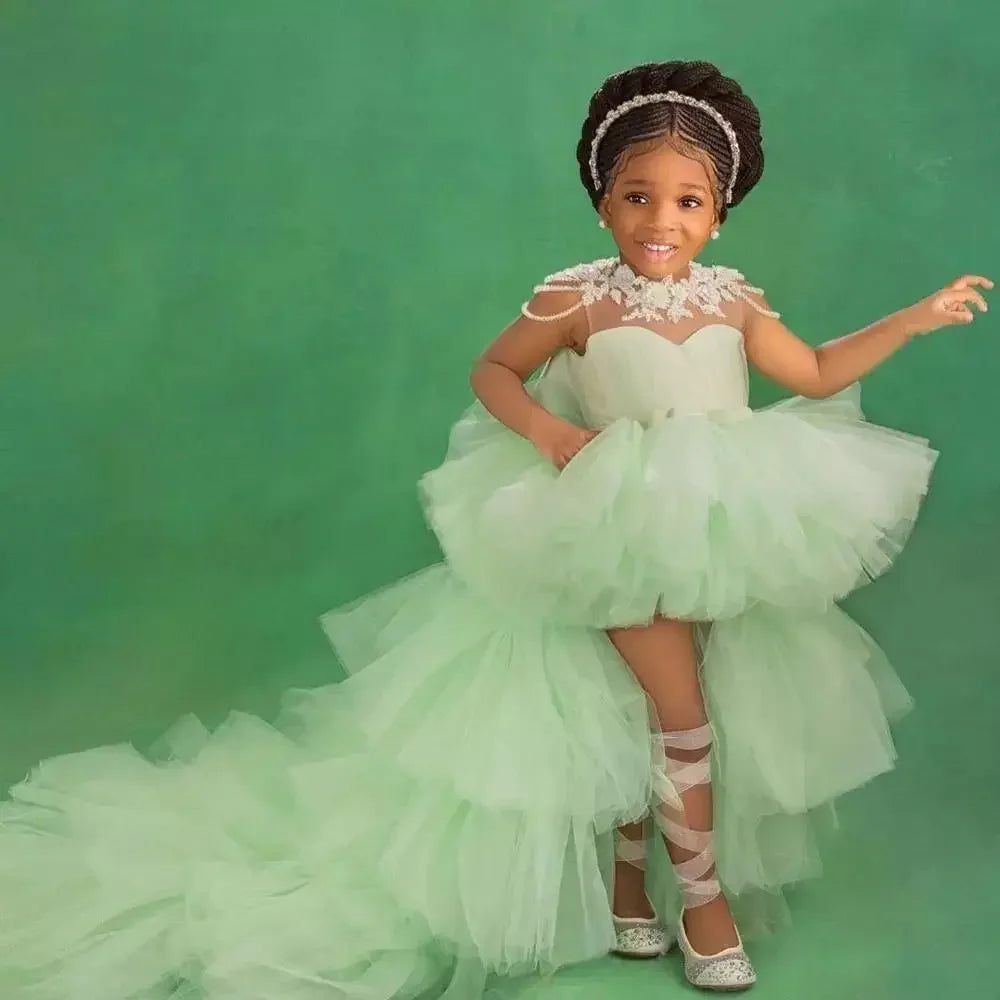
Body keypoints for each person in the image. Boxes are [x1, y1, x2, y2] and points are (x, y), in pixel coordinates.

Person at [0, 59, 991, 998]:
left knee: (653, 709)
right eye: (638, 195)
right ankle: (704, 907)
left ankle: (630, 895)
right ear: (602, 201)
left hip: (718, 520)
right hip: (620, 523)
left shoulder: (731, 300)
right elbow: (494, 371)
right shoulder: (577, 298)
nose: (662, 220)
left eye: (689, 201)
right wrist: (549, 432)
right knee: (682, 714)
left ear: (719, 214)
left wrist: (912, 318)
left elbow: (813, 371)